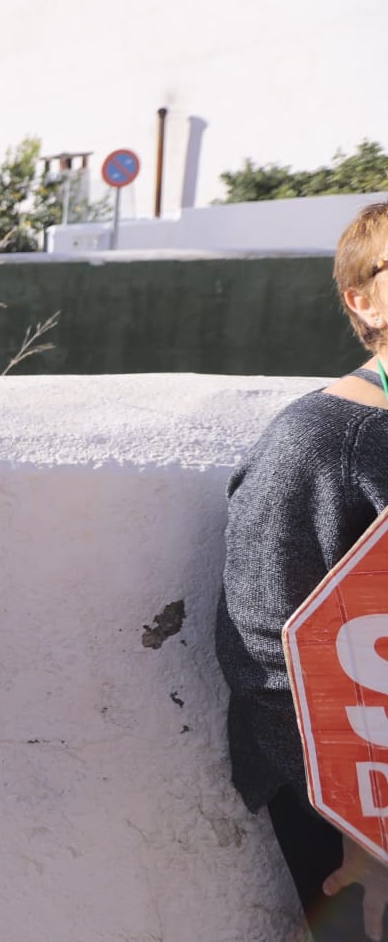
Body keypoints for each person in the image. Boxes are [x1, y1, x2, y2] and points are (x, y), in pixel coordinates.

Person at [218, 200, 388, 942]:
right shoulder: (319, 439)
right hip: (356, 820)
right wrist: (363, 836)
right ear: (364, 299)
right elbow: (267, 648)